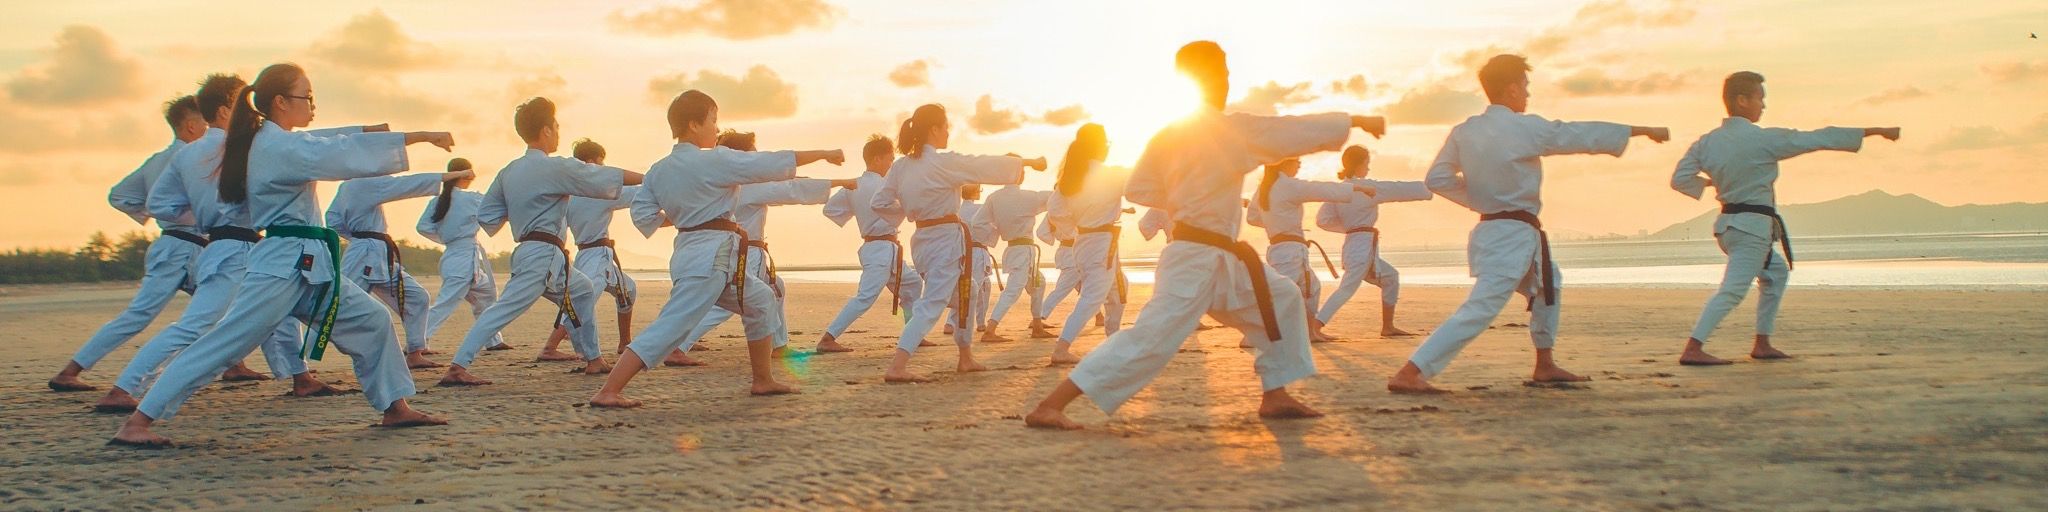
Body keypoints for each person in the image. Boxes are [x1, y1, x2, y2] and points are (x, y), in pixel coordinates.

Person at [1024, 41, 1387, 429]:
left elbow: (1139, 189)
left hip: (1221, 255)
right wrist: (1355, 121)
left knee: (1282, 298)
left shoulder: (1168, 134)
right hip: (1194, 257)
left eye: (1227, 72)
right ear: (1202, 78)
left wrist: (1184, 198)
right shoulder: (1230, 129)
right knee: (1151, 339)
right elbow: (1290, 131)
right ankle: (1051, 405)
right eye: (1222, 72)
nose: (1227, 80)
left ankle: (1276, 394)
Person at [112, 63, 454, 447]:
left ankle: (395, 407)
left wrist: (387, 132)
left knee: (373, 319)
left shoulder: (273, 140)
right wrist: (418, 137)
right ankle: (137, 423)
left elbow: (326, 141)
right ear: (279, 102)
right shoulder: (278, 146)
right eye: (306, 97)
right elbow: (336, 152)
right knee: (224, 342)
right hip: (282, 264)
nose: (312, 105)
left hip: (308, 263)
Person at [1385, 54, 1670, 394]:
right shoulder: (1524, 128)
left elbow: (1437, 179)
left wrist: (1479, 198)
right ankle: (1412, 371)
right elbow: (1578, 134)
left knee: (1550, 284)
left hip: (1499, 230)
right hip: (1510, 234)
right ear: (1511, 89)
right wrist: (1641, 130)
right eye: (1525, 87)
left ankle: (1544, 363)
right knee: (1483, 304)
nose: (1528, 94)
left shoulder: (1464, 131)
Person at [95, 74, 337, 412]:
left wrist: (204, 215)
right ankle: (124, 387)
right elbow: (315, 143)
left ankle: (300, 377)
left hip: (223, 245)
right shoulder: (246, 145)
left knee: (278, 314)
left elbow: (161, 204)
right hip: (239, 247)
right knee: (196, 325)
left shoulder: (187, 154)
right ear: (227, 110)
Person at [588, 90, 844, 408]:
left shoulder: (658, 170)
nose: (716, 127)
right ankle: (609, 390)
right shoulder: (714, 161)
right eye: (713, 119)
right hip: (711, 256)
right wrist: (824, 152)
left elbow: (645, 218)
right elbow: (769, 162)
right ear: (694, 124)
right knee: (672, 323)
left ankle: (762, 380)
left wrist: (687, 214)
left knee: (761, 299)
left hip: (692, 251)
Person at [1671, 71, 1900, 366]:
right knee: (1732, 290)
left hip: (1728, 227)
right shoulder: (1763, 140)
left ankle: (1762, 343)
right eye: (1759, 98)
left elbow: (1679, 179)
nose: (1763, 106)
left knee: (1775, 273)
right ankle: (1693, 347)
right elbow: (1818, 138)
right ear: (1742, 101)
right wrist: (1876, 130)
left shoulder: (1706, 143)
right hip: (1751, 228)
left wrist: (1711, 184)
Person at [440, 97, 643, 386]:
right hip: (543, 253)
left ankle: (594, 358)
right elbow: (601, 176)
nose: (559, 131)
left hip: (536, 250)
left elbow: (488, 216)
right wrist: (651, 179)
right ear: (546, 130)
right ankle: (458, 366)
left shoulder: (509, 171)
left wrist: (525, 210)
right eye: (556, 126)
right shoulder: (553, 167)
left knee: (583, 290)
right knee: (505, 308)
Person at [51, 95, 229, 392]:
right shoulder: (187, 158)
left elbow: (119, 195)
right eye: (205, 123)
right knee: (143, 314)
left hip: (192, 247)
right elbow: (122, 196)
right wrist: (170, 214)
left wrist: (150, 212)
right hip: (180, 246)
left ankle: (235, 366)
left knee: (220, 306)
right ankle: (70, 371)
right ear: (189, 127)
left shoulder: (160, 159)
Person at [869, 104, 1048, 383]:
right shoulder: (942, 162)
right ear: (934, 129)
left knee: (968, 291)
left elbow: (879, 203)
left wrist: (909, 209)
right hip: (944, 239)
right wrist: (1028, 163)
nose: (949, 131)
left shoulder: (901, 167)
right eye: (946, 126)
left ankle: (965, 357)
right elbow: (981, 164)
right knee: (933, 302)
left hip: (923, 239)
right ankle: (898, 365)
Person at [671, 130, 855, 362]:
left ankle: (779, 345)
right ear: (743, 158)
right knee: (733, 302)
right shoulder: (748, 185)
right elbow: (789, 189)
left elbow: (787, 185)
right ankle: (679, 346)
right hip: (746, 254)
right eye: (753, 154)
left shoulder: (727, 184)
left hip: (740, 251)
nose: (757, 158)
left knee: (775, 288)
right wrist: (840, 182)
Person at [327, 155, 445, 367]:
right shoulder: (364, 184)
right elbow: (404, 185)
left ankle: (415, 352)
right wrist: (451, 176)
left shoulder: (347, 187)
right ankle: (303, 361)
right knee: (339, 305)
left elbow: (333, 220)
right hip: (364, 253)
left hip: (376, 252)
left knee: (417, 298)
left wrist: (357, 237)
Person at [1247, 157, 1376, 342]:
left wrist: (1276, 223)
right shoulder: (1288, 185)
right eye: (1296, 161)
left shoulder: (1264, 188)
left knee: (1311, 289)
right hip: (1290, 251)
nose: (1299, 164)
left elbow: (1252, 217)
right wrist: (1360, 187)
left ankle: (1309, 333)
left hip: (1281, 248)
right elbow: (1321, 189)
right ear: (1284, 163)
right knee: (1282, 294)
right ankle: (1253, 334)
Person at [537, 139, 643, 362]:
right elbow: (635, 193)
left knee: (628, 291)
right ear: (592, 162)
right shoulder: (597, 191)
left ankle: (625, 342)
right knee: (582, 302)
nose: (603, 167)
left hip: (591, 253)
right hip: (595, 256)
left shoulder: (569, 193)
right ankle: (549, 347)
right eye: (601, 162)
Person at [816, 135, 924, 354]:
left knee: (913, 285)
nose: (891, 164)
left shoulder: (852, 185)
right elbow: (905, 207)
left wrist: (858, 212)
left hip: (882, 248)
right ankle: (828, 338)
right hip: (881, 249)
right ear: (876, 159)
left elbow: (830, 210)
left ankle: (913, 335)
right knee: (865, 297)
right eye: (889, 159)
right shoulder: (886, 185)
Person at [1312, 145, 1434, 337]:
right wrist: (1433, 187)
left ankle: (1388, 327)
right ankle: (1315, 327)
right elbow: (1399, 189)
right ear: (1359, 164)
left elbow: (1322, 221)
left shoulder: (1338, 191)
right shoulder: (1368, 188)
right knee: (1347, 288)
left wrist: (1350, 227)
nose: (1368, 168)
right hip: (1362, 246)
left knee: (1391, 277)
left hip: (1356, 244)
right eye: (1366, 163)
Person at [1045, 123, 1132, 365]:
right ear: (1101, 145)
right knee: (1093, 297)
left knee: (1120, 289)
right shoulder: (1112, 174)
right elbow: (1141, 183)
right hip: (1102, 244)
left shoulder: (1070, 180)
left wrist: (1072, 227)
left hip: (1085, 242)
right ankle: (1061, 348)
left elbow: (1055, 211)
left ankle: (1113, 341)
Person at [416, 158, 504, 364]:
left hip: (455, 255)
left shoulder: (438, 200)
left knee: (487, 293)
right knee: (446, 303)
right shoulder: (471, 198)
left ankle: (492, 339)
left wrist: (445, 238)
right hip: (463, 257)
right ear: (465, 174)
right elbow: (495, 209)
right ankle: (417, 342)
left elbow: (422, 227)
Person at [978, 181, 1057, 340]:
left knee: (1039, 283)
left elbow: (977, 222)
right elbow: (1055, 197)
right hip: (1022, 251)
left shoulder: (994, 197)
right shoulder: (1027, 196)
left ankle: (1037, 326)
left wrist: (998, 232)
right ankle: (990, 330)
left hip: (1014, 249)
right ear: (1018, 174)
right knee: (1013, 291)